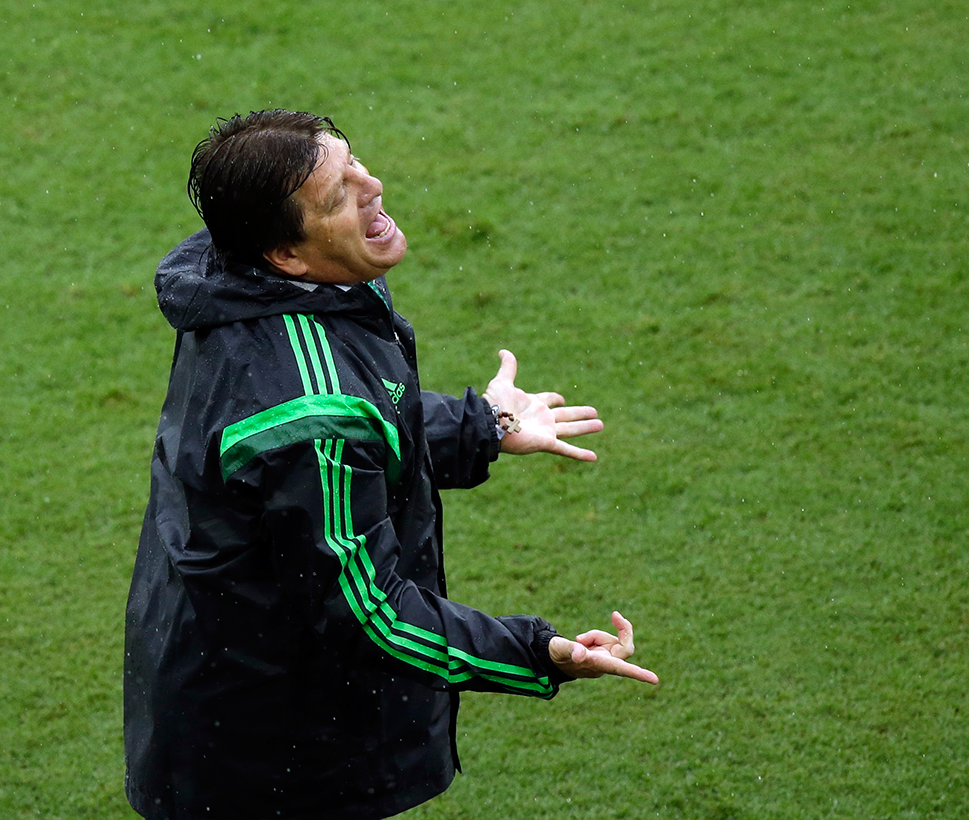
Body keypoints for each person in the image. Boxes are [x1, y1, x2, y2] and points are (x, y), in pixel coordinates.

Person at [123, 109, 657, 820]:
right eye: (337, 194)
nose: (371, 186)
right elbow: (369, 613)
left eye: (353, 163)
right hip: (277, 752)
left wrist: (481, 426)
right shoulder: (308, 410)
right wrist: (536, 653)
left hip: (230, 680)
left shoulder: (245, 278)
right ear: (285, 253)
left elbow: (349, 419)